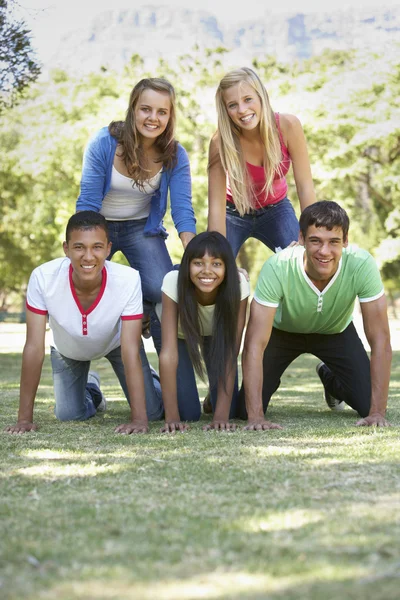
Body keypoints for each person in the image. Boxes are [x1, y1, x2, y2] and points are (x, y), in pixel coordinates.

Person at [5, 212, 163, 435]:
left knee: (153, 414)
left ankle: (151, 378)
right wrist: (24, 419)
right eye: (79, 247)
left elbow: (130, 349)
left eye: (97, 247)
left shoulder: (127, 279)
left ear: (108, 249)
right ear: (66, 249)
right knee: (69, 415)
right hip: (68, 350)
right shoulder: (43, 277)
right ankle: (92, 389)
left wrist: (138, 419)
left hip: (116, 344)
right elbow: (33, 347)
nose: (88, 256)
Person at [239, 200, 392, 430]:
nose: (324, 251)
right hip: (283, 333)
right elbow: (253, 345)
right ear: (301, 238)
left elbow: (380, 339)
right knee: (243, 411)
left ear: (346, 241)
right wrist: (256, 417)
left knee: (368, 403)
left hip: (335, 332)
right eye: (315, 241)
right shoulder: (277, 267)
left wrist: (378, 413)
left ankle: (330, 377)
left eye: (334, 242)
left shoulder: (361, 265)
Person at [76, 77, 196, 349]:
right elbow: (88, 202)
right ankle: (131, 309)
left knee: (161, 289)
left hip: (141, 228)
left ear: (170, 115)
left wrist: (194, 252)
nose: (153, 118)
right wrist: (83, 247)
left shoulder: (175, 154)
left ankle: (143, 305)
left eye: (162, 112)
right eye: (146, 109)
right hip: (99, 226)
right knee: (90, 285)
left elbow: (182, 209)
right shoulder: (104, 143)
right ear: (133, 109)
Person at [208, 66, 316, 257]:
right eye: (232, 105)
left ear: (261, 97)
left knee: (304, 260)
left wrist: (311, 236)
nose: (242, 110)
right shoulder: (220, 143)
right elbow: (216, 209)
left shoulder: (288, 126)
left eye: (248, 99)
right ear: (225, 110)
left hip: (276, 209)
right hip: (233, 212)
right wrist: (220, 258)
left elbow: (305, 186)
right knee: (218, 265)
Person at [157, 232, 249, 432]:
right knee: (187, 414)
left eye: (216, 264)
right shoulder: (173, 282)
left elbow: (230, 353)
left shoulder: (238, 287)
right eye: (198, 263)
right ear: (187, 265)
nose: (207, 271)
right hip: (179, 337)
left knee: (230, 411)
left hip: (217, 335)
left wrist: (220, 418)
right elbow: (168, 354)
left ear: (227, 268)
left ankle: (212, 397)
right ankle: (157, 384)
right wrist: (172, 418)